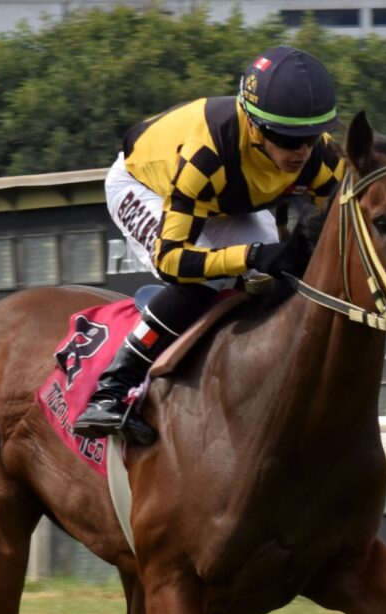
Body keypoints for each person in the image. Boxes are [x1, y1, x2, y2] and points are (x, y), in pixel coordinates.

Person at [72, 45, 347, 446]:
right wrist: (251, 255)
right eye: (288, 140)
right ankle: (111, 389)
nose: (301, 152)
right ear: (254, 126)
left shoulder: (319, 157)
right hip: (147, 186)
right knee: (205, 279)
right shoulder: (207, 156)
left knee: (282, 279)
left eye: (308, 138)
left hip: (226, 198)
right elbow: (172, 260)